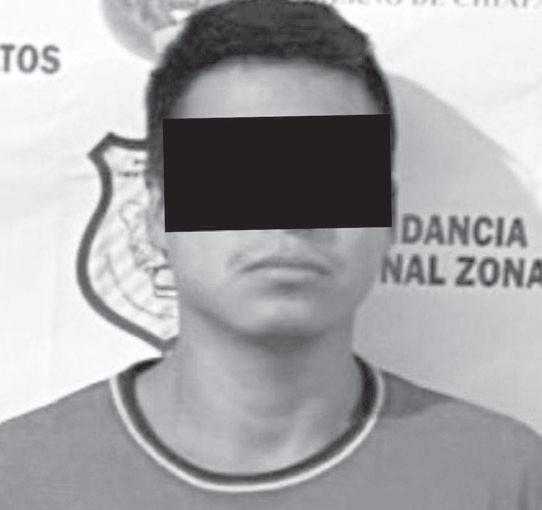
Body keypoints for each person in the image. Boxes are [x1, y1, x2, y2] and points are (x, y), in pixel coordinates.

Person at [1, 0, 541, 508]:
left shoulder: (504, 480)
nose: (288, 217)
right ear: (159, 216)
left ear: (388, 216)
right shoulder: (19, 480)